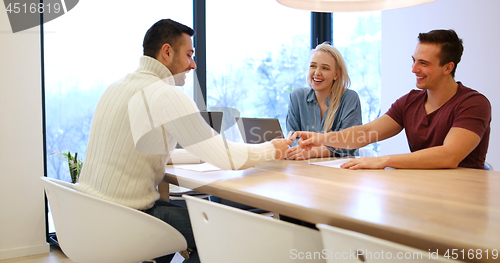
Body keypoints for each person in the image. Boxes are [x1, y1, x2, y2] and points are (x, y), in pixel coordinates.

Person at [75, 19, 291, 263]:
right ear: (167, 52)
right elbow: (226, 157)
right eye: (189, 55)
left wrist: (198, 152)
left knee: (198, 219)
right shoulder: (165, 94)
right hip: (126, 220)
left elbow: (136, 150)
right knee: (227, 232)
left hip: (90, 216)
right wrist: (273, 148)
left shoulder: (115, 87)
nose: (193, 65)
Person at [295, 29, 491, 170]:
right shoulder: (409, 102)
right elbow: (367, 132)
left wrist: (385, 160)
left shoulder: (473, 104)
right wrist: (322, 138)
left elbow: (449, 155)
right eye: (414, 60)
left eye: (423, 63)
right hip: (422, 188)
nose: (414, 69)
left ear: (448, 68)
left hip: (464, 193)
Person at [285, 43, 362, 160]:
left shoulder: (349, 98)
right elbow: (292, 140)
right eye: (313, 66)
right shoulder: (297, 97)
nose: (317, 72)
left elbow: (349, 144)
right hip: (303, 168)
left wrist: (311, 152)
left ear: (336, 74)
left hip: (340, 172)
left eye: (325, 68)